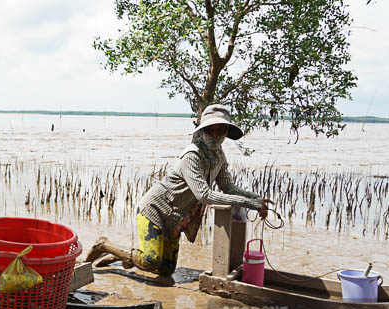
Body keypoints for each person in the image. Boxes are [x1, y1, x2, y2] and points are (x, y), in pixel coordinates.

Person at [86, 104, 271, 277]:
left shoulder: (219, 156)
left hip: (175, 218)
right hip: (154, 210)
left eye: (220, 130)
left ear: (226, 133)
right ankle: (104, 245)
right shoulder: (192, 156)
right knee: (151, 261)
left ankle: (123, 256)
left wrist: (257, 199)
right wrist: (248, 203)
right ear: (202, 131)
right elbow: (203, 195)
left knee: (166, 270)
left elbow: (228, 187)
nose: (215, 134)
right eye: (211, 129)